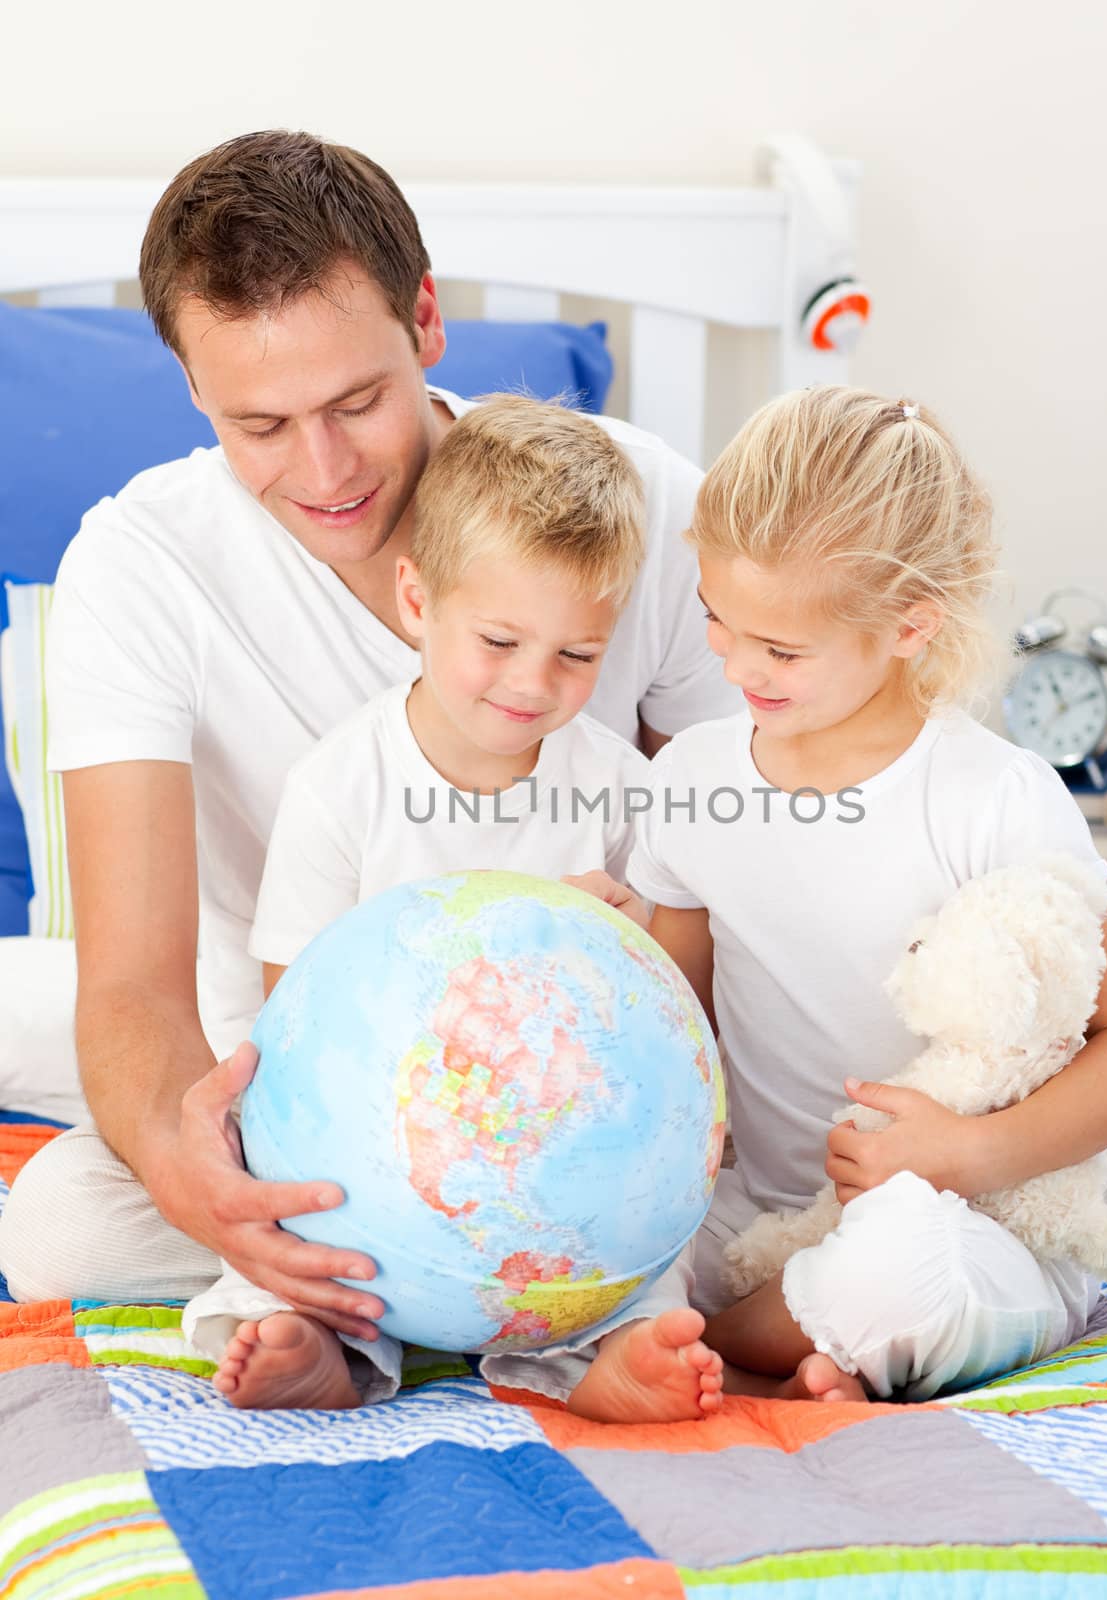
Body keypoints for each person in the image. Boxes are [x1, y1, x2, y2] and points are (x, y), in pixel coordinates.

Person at [0, 131, 738, 1344]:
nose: (326, 469)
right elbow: (132, 980)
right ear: (193, 388)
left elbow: (756, 839)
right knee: (56, 1235)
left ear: (426, 320)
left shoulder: (632, 508)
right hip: (315, 1084)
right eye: (262, 424)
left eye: (356, 401)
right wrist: (218, 1198)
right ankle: (445, 1290)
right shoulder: (139, 567)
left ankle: (460, 1288)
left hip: (587, 1086)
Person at [591, 385, 1107, 1401]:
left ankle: (760, 1335)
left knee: (907, 1278)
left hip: (964, 1214)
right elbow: (675, 1014)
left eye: (780, 649)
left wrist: (968, 1155)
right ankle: (790, 1337)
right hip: (760, 1209)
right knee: (582, 1240)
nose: (737, 664)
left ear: (907, 626)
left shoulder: (992, 797)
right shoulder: (694, 778)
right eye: (718, 619)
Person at [187, 394, 722, 1419]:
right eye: (501, 640)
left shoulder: (617, 789)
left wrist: (625, 939)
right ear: (416, 600)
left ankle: (601, 1356)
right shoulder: (340, 783)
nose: (534, 684)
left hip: (556, 1151)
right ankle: (328, 1351)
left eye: (577, 655)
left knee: (662, 1228)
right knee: (291, 1240)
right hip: (380, 1146)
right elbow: (291, 1018)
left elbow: (673, 1021)